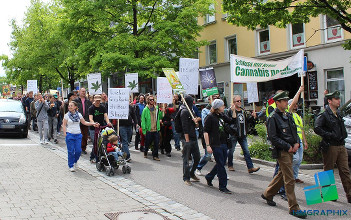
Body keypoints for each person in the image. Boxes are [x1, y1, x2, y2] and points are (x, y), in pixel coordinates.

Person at [261, 91, 307, 219]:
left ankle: (268, 193)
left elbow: (294, 131)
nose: (287, 103)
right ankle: (294, 207)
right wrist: (288, 146)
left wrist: (297, 142)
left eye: (287, 101)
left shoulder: (288, 115)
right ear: (278, 102)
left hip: (291, 149)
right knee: (290, 178)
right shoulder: (272, 118)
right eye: (285, 101)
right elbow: (273, 137)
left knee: (282, 175)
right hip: (282, 151)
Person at [314, 91, 351, 204]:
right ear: (330, 101)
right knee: (328, 170)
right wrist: (329, 135)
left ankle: (349, 195)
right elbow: (317, 128)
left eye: (338, 99)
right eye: (336, 99)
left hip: (341, 145)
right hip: (331, 146)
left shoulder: (338, 113)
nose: (338, 100)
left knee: (345, 171)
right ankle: (328, 193)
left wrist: (343, 135)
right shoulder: (325, 114)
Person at [203, 99, 234, 194]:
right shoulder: (210, 117)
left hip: (224, 142)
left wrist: (233, 110)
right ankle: (223, 186)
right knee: (221, 165)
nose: (224, 107)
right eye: (222, 106)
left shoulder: (221, 115)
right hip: (215, 144)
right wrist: (208, 145)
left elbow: (231, 120)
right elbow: (205, 132)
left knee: (222, 162)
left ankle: (209, 176)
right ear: (217, 107)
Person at [226, 95, 260, 173]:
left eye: (240, 101)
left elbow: (247, 120)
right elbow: (228, 122)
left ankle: (250, 167)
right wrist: (231, 131)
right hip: (234, 134)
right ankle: (230, 165)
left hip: (242, 134)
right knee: (231, 150)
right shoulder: (230, 111)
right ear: (234, 102)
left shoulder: (243, 111)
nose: (239, 102)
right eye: (237, 101)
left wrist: (253, 117)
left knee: (246, 151)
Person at [62, 101, 97, 172]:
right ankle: (71, 165)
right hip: (70, 134)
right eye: (69, 106)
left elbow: (84, 122)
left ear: (75, 107)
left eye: (71, 106)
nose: (69, 107)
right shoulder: (66, 115)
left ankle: (75, 161)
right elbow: (64, 125)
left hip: (78, 135)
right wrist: (65, 134)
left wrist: (92, 123)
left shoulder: (79, 115)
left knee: (78, 150)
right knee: (71, 151)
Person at [195, 94, 220, 176]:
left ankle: (221, 172)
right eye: (214, 98)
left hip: (218, 137)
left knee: (220, 157)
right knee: (208, 155)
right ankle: (198, 167)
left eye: (217, 98)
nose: (216, 100)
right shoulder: (205, 111)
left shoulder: (220, 112)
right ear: (209, 100)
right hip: (208, 136)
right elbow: (205, 123)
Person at [180, 95, 201, 186]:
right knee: (186, 159)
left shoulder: (191, 110)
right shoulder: (184, 112)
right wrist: (187, 140)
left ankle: (191, 173)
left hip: (194, 137)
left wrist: (196, 121)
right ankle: (186, 177)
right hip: (186, 139)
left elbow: (196, 124)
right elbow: (184, 127)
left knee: (197, 157)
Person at [288, 86, 308, 183]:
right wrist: (299, 91)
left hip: (299, 140)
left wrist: (305, 141)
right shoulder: (289, 113)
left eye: (296, 104)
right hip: (293, 140)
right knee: (295, 159)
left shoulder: (297, 116)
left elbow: (301, 129)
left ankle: (294, 177)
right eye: (294, 104)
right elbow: (292, 103)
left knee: (299, 161)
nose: (296, 105)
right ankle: (288, 174)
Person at [88, 94, 112, 163]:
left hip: (101, 127)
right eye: (96, 101)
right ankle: (93, 157)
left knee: (100, 142)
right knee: (95, 142)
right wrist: (94, 123)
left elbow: (106, 116)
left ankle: (95, 156)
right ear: (94, 100)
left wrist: (108, 122)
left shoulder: (103, 107)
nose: (98, 102)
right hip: (93, 128)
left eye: (99, 100)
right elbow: (90, 118)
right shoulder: (91, 108)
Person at [141, 95, 162, 161]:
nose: (152, 101)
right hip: (149, 130)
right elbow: (143, 120)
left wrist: (162, 110)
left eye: (153, 99)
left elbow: (160, 117)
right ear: (148, 101)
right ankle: (145, 152)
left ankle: (155, 156)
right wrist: (144, 130)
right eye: (150, 100)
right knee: (147, 142)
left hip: (156, 129)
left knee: (156, 143)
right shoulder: (145, 109)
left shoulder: (156, 108)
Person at [75, 88, 92, 154]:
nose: (83, 93)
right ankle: (78, 148)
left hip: (86, 120)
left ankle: (83, 148)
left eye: (84, 91)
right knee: (79, 135)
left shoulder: (88, 101)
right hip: (78, 120)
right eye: (82, 91)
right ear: (79, 92)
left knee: (85, 135)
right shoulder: (76, 101)